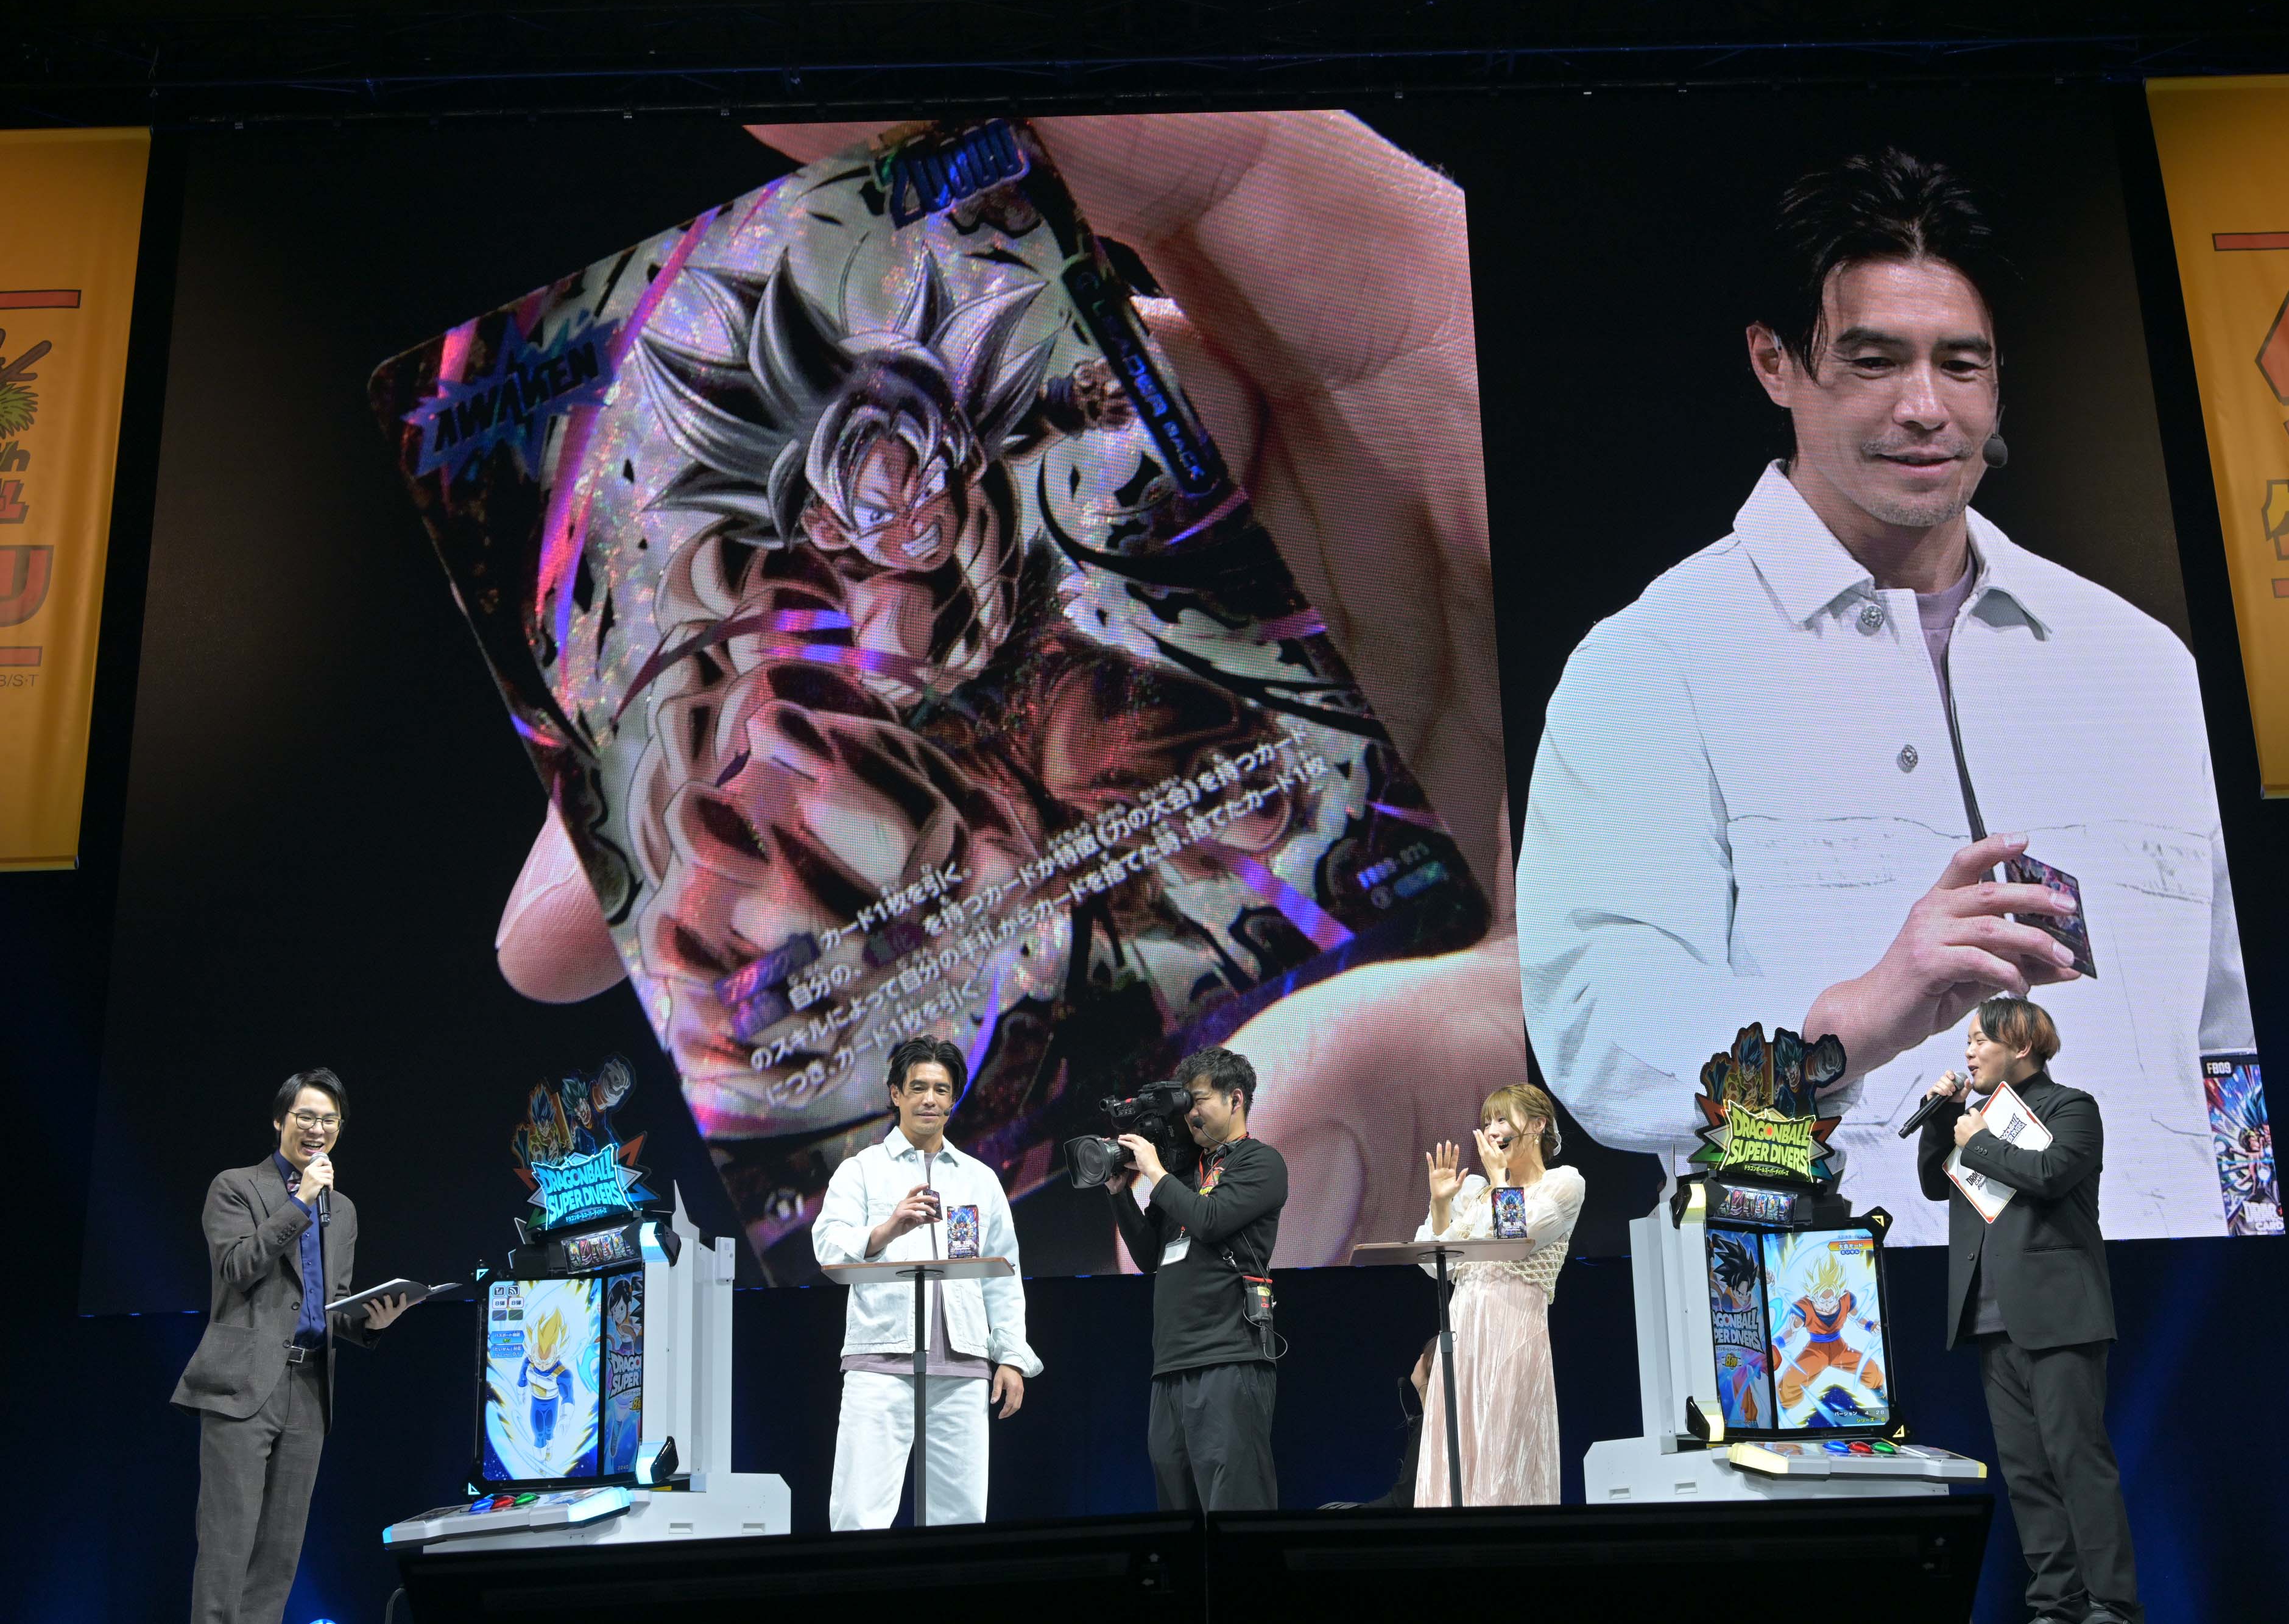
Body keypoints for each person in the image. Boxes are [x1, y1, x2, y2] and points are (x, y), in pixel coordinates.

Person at [492, 111, 1525, 1271]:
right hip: (934, 784)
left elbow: (1023, 453)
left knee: (1233, 792)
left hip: (1045, 699)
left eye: (931, 473)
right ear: (826, 520)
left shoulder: (986, 525)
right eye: (880, 504)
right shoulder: (797, 634)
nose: (917, 513)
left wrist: (1073, 418)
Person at [1517, 147, 2255, 1240]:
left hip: (2161, 1282)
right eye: (1873, 362)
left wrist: (2251, 1253)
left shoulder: (2138, 663)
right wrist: (1851, 1023)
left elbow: (2229, 1035)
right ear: (1772, 361)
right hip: (1840, 1293)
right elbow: (1598, 1036)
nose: (1925, 408)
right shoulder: (1655, 662)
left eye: (1961, 365)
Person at [1918, 998, 2148, 1624]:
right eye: (1966, 1041)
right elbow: (1936, 1185)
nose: (1969, 1051)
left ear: (2020, 1045)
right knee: (2026, 1474)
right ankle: (2059, 1609)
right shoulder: (1974, 1116)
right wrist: (1942, 1120)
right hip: (1992, 1320)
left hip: (2059, 1315)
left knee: (2078, 1462)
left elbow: (2048, 1174)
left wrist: (1976, 1140)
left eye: (1980, 1039)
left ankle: (2116, 1615)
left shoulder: (2070, 1108)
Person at [172, 1069, 415, 1624]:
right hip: (242, 1388)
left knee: (279, 1558)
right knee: (227, 1550)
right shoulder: (236, 1187)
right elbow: (238, 1267)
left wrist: (370, 1322)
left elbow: (332, 1300)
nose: (318, 1129)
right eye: (306, 1116)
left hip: (309, 1390)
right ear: (280, 1120)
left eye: (330, 1120)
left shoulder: (344, 1210)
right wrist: (300, 1200)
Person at [811, 1035, 1042, 1530]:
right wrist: (888, 1228)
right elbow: (828, 1247)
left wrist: (1010, 1357)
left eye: (941, 1089)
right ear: (895, 1093)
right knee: (859, 1514)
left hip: (962, 1366)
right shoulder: (861, 1171)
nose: (929, 1099)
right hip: (880, 1360)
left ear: (954, 1099)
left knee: (961, 1517)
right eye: (918, 1087)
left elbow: (1003, 1277)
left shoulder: (979, 1180)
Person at [1106, 1043, 1288, 1511]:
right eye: (1185, 1101)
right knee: (1177, 1511)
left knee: (1235, 1506)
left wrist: (1155, 1172)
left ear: (1236, 1099)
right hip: (1170, 1364)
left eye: (1199, 1099)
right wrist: (1119, 1192)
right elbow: (1148, 1256)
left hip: (1230, 1358)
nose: (1189, 1113)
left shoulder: (1261, 1163)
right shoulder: (1186, 1173)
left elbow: (1209, 1221)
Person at [1413, 1084, 1586, 1506]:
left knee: (1506, 1453)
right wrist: (1440, 1204)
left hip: (1514, 1336)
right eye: (1487, 1121)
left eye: (1503, 1119)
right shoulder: (1473, 1192)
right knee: (1456, 1455)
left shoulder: (1561, 1185)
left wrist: (1499, 1181)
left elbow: (1513, 1235)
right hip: (1463, 1337)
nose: (1492, 1130)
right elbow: (1436, 1264)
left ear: (1538, 1125)